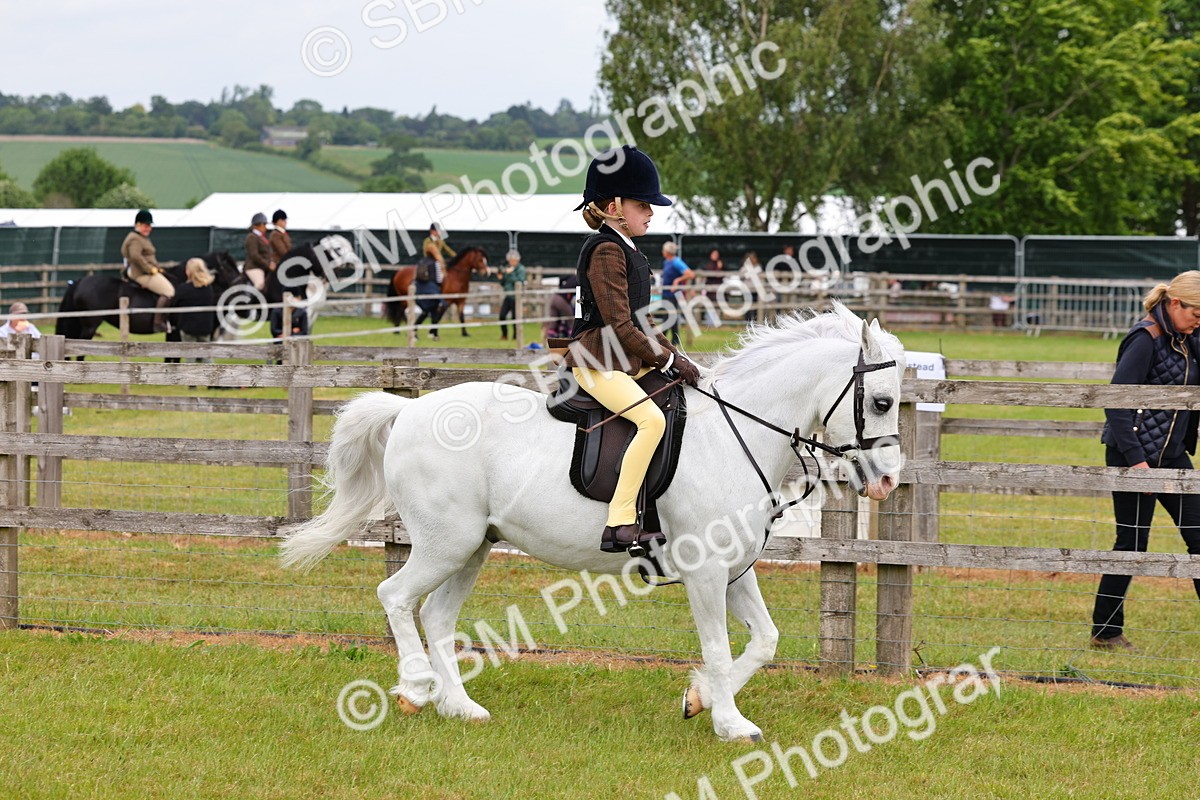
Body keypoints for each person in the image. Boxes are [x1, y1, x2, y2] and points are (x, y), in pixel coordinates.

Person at [562, 144, 701, 555]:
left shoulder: (630, 249)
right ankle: (620, 521)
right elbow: (621, 326)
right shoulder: (606, 250)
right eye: (643, 204)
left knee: (679, 401)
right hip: (597, 361)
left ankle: (658, 507)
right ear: (613, 207)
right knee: (651, 421)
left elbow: (644, 322)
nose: (651, 212)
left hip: (624, 359)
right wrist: (668, 358)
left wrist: (679, 358)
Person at [1092, 271, 1200, 650]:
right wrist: (1137, 463)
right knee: (1133, 541)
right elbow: (1116, 402)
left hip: (1173, 456)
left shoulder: (1187, 339)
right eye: (1196, 312)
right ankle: (1105, 632)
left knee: (1199, 534)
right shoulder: (1145, 338)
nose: (1199, 319)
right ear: (1175, 304)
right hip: (1133, 455)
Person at [121, 209, 174, 333]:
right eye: (146, 225)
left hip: (146, 271)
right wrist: (151, 269)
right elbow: (136, 256)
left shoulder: (141, 237)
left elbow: (147, 256)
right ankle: (158, 323)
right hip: (141, 273)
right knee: (169, 291)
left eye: (149, 225)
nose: (149, 228)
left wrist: (158, 268)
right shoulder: (135, 239)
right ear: (138, 225)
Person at [171, 258, 217, 364]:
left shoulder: (183, 288)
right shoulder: (208, 288)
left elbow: (175, 304)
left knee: (190, 357)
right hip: (205, 328)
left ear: (189, 271)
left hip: (188, 329)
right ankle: (212, 377)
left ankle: (190, 378)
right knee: (207, 356)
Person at [660, 241, 694, 345]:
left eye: (664, 250)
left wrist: (678, 280)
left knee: (668, 317)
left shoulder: (676, 262)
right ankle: (674, 340)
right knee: (670, 317)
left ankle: (663, 339)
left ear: (667, 252)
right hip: (666, 293)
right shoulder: (666, 262)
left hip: (674, 294)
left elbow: (690, 274)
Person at [498, 249, 526, 340]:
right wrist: (501, 278)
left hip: (516, 297)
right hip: (508, 296)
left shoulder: (521, 269)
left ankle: (515, 336)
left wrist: (511, 273)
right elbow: (504, 283)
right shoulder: (507, 268)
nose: (511, 262)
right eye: (509, 260)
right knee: (502, 315)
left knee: (515, 317)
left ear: (517, 260)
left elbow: (519, 282)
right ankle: (504, 334)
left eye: (512, 260)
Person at [244, 212, 272, 291]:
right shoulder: (252, 237)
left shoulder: (262, 237)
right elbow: (254, 255)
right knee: (260, 284)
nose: (266, 227)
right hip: (254, 267)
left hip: (263, 266)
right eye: (264, 225)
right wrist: (267, 264)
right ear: (258, 225)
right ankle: (252, 302)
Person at [739, 251, 763, 323]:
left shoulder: (758, 267)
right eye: (751, 258)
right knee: (747, 307)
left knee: (756, 308)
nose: (753, 260)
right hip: (747, 290)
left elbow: (754, 274)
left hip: (755, 290)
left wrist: (750, 274)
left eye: (754, 258)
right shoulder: (744, 268)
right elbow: (742, 276)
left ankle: (755, 322)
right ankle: (748, 322)